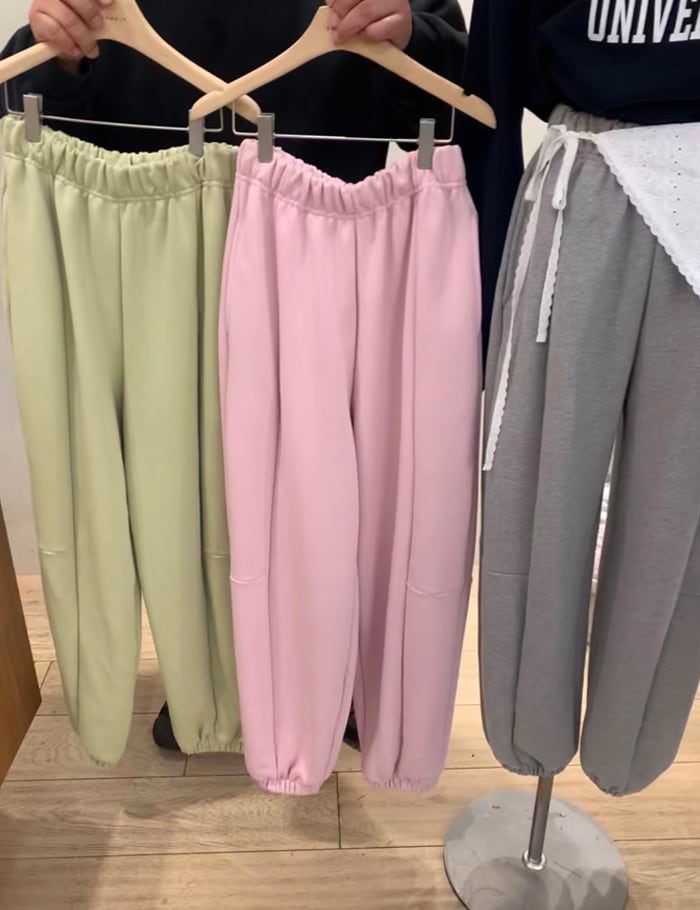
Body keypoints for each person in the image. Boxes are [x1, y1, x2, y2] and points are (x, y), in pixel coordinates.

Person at [1, 0, 468, 753]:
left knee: (324, 492)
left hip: (324, 239)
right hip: (154, 239)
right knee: (183, 491)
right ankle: (215, 677)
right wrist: (59, 42)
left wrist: (410, 31)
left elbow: (453, 98)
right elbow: (30, 94)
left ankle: (328, 680)